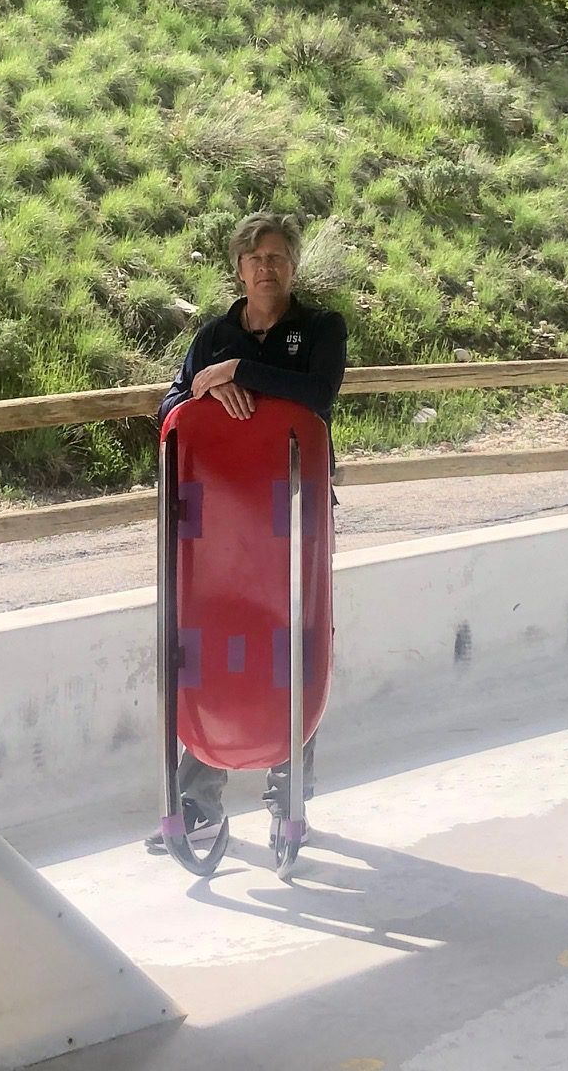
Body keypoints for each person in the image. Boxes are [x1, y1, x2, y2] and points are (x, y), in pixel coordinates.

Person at [150, 212, 347, 853]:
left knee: (296, 636)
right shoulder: (212, 334)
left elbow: (317, 393)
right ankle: (197, 798)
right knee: (214, 641)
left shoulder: (319, 329)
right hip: (220, 525)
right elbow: (171, 406)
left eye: (279, 255)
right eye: (255, 256)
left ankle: (288, 796)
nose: (267, 266)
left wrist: (239, 373)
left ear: (293, 265)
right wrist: (206, 392)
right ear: (238, 267)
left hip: (294, 511)